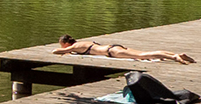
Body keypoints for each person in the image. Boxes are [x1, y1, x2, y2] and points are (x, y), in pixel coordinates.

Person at [56, 36, 196, 64]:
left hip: (112, 52)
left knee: (143, 55)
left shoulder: (75, 46)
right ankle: (176, 54)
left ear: (66, 43)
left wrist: (64, 50)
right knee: (144, 53)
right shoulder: (83, 43)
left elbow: (56, 52)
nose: (62, 47)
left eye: (62, 44)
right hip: (113, 47)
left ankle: (174, 57)